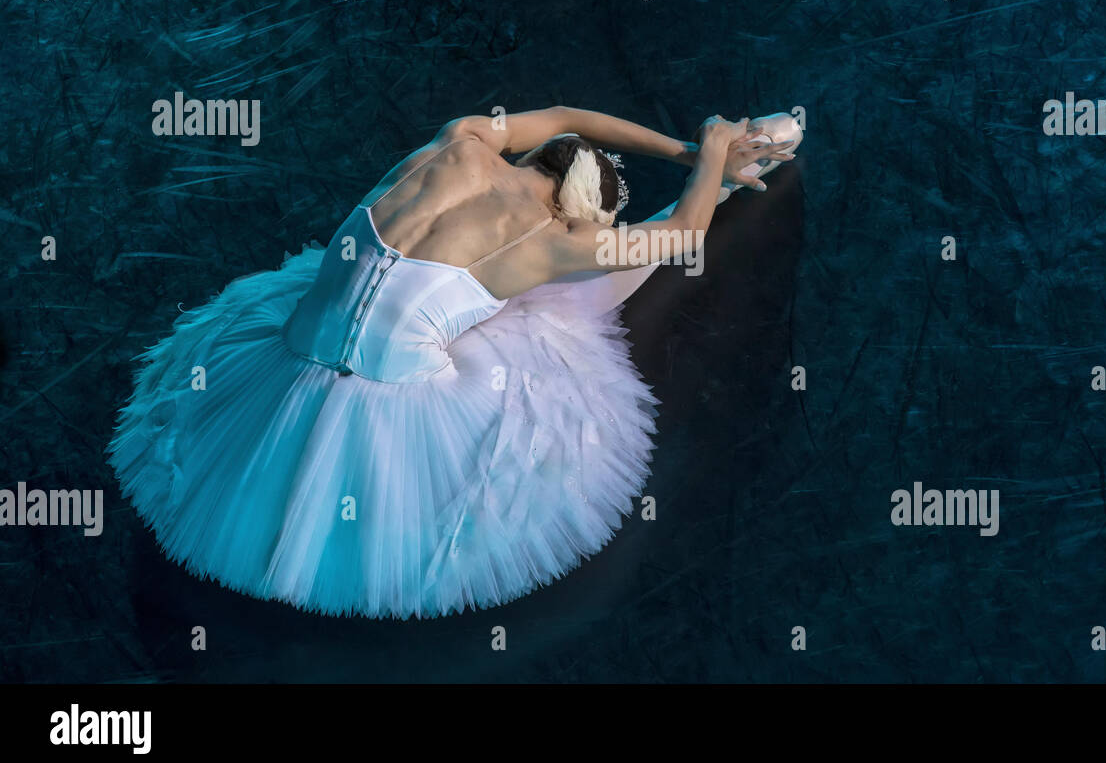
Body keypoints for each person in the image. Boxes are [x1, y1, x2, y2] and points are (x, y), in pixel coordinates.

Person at [107, 107, 800, 618]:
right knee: (565, 309)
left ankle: (731, 176)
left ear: (540, 159)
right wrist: (714, 156)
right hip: (394, 390)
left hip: (292, 353)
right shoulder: (551, 244)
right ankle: (741, 181)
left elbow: (564, 113)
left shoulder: (460, 141)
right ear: (571, 210)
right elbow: (685, 234)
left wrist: (684, 146)